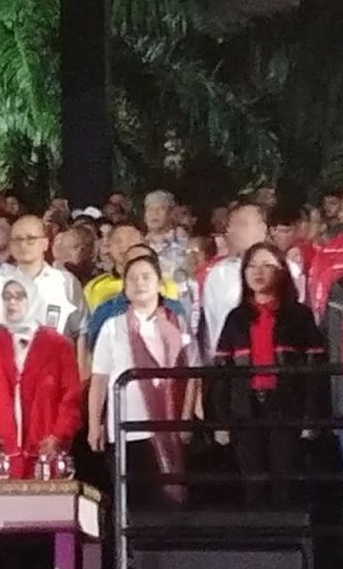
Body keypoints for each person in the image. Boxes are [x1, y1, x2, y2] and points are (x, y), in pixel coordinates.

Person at [210, 242, 328, 506]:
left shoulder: (299, 316)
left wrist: (311, 416)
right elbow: (222, 374)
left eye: (267, 266)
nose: (258, 272)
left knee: (285, 481)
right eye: (251, 266)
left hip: (286, 407)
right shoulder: (236, 318)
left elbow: (313, 373)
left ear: (282, 271)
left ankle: (287, 542)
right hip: (245, 409)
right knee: (253, 482)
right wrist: (219, 420)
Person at [88, 255, 198, 507]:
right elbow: (100, 379)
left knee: (167, 501)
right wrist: (95, 424)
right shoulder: (112, 327)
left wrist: (186, 417)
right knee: (132, 501)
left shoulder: (177, 324)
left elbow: (191, 373)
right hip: (125, 427)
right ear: (125, 288)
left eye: (146, 277)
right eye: (133, 278)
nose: (140, 283)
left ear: (159, 283)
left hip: (168, 424)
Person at [0, 275, 82, 479]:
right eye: (7, 297)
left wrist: (59, 435)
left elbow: (71, 397)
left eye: (20, 296)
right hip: (3, 453)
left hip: (46, 450)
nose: (12, 302)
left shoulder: (58, 345)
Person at [0, 215, 85, 340]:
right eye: (17, 240)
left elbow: (82, 331)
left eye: (30, 239)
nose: (24, 245)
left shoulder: (65, 282)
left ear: (45, 243)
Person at [202, 202, 268, 355]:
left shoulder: (286, 268)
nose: (232, 230)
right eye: (230, 225)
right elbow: (211, 326)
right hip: (230, 360)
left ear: (263, 228)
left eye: (243, 224)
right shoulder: (218, 274)